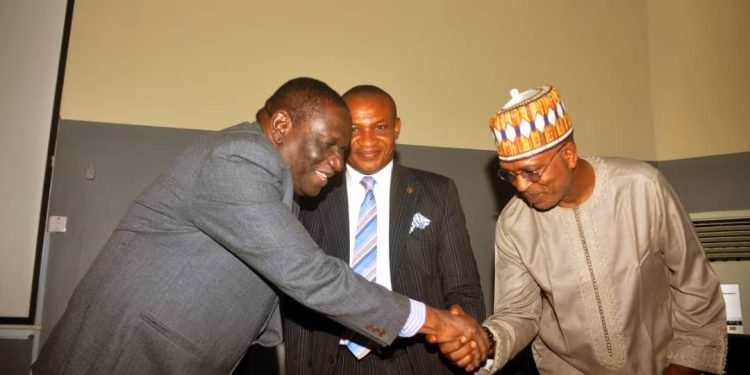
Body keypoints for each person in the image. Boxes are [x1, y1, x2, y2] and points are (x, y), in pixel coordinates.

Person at [32, 77, 487, 375]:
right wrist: (428, 319)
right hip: (124, 359)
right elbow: (309, 275)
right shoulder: (240, 159)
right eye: (330, 146)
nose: (337, 162)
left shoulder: (279, 195)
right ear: (281, 125)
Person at [441, 86, 727, 374]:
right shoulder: (514, 224)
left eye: (532, 171)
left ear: (568, 154)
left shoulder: (642, 187)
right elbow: (519, 312)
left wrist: (684, 363)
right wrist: (486, 340)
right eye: (509, 174)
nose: (521, 186)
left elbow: (694, 283)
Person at [282, 85, 486, 374]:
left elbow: (464, 289)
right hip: (333, 360)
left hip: (419, 359)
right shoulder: (312, 195)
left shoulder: (438, 192)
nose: (367, 140)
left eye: (379, 126)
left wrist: (463, 339)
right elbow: (298, 300)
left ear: (397, 128)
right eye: (354, 129)